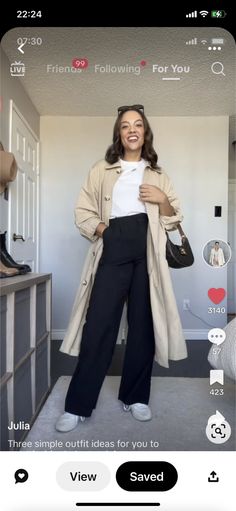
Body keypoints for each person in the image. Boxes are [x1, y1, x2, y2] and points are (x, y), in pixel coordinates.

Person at [56, 105, 187, 433]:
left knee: (143, 326)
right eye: (126, 125)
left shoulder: (158, 174)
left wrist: (162, 199)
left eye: (138, 124)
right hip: (113, 248)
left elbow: (173, 219)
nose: (132, 130)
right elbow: (82, 210)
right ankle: (78, 405)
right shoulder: (102, 168)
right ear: (119, 133)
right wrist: (105, 232)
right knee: (98, 326)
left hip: (148, 253)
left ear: (145, 132)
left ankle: (136, 397)